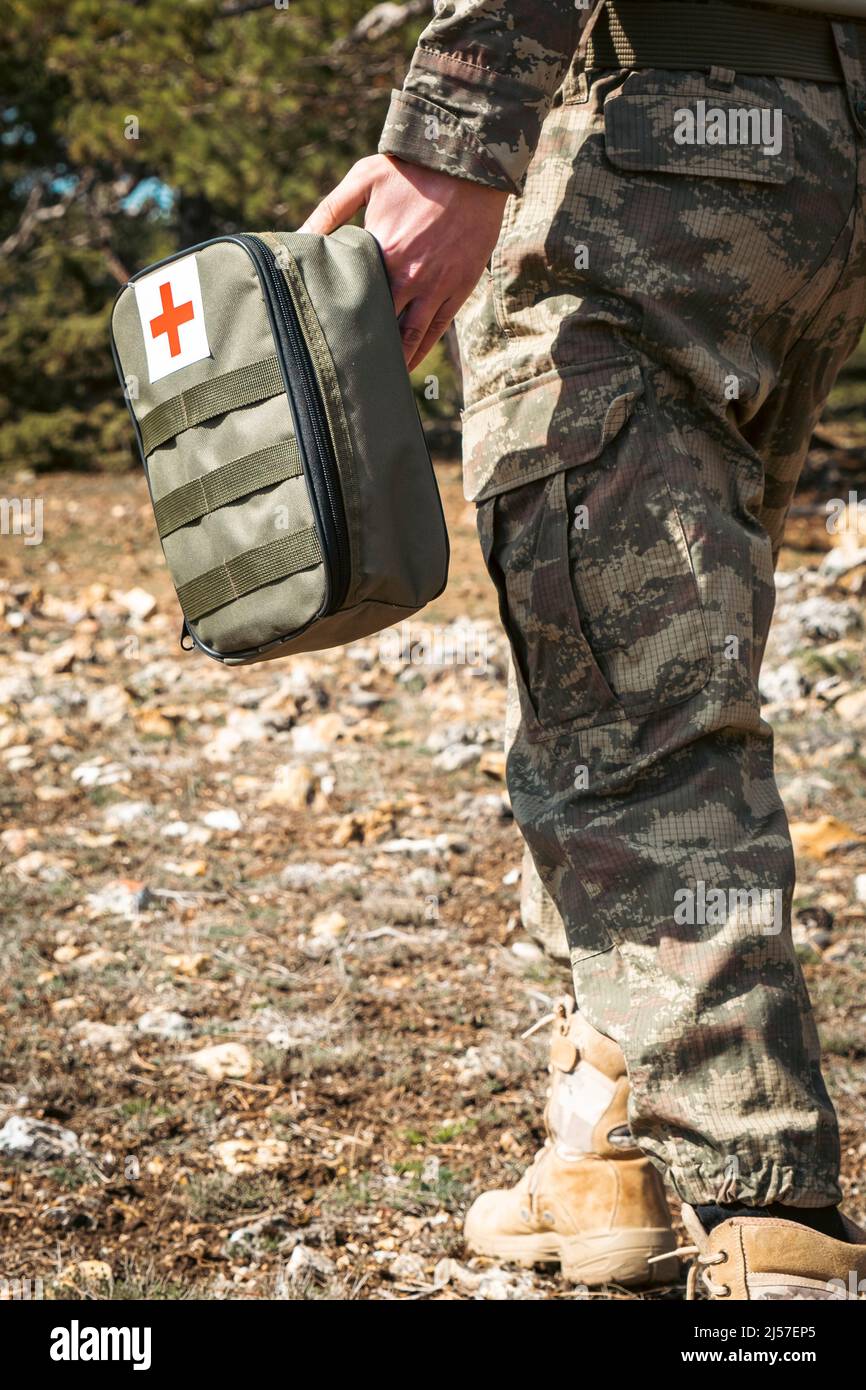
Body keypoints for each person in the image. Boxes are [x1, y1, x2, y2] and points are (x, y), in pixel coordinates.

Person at [302, 0, 866, 1299]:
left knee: (631, 710)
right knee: (618, 647)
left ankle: (759, 1208)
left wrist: (454, 132)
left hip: (634, 151)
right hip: (811, 150)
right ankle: (603, 1147)